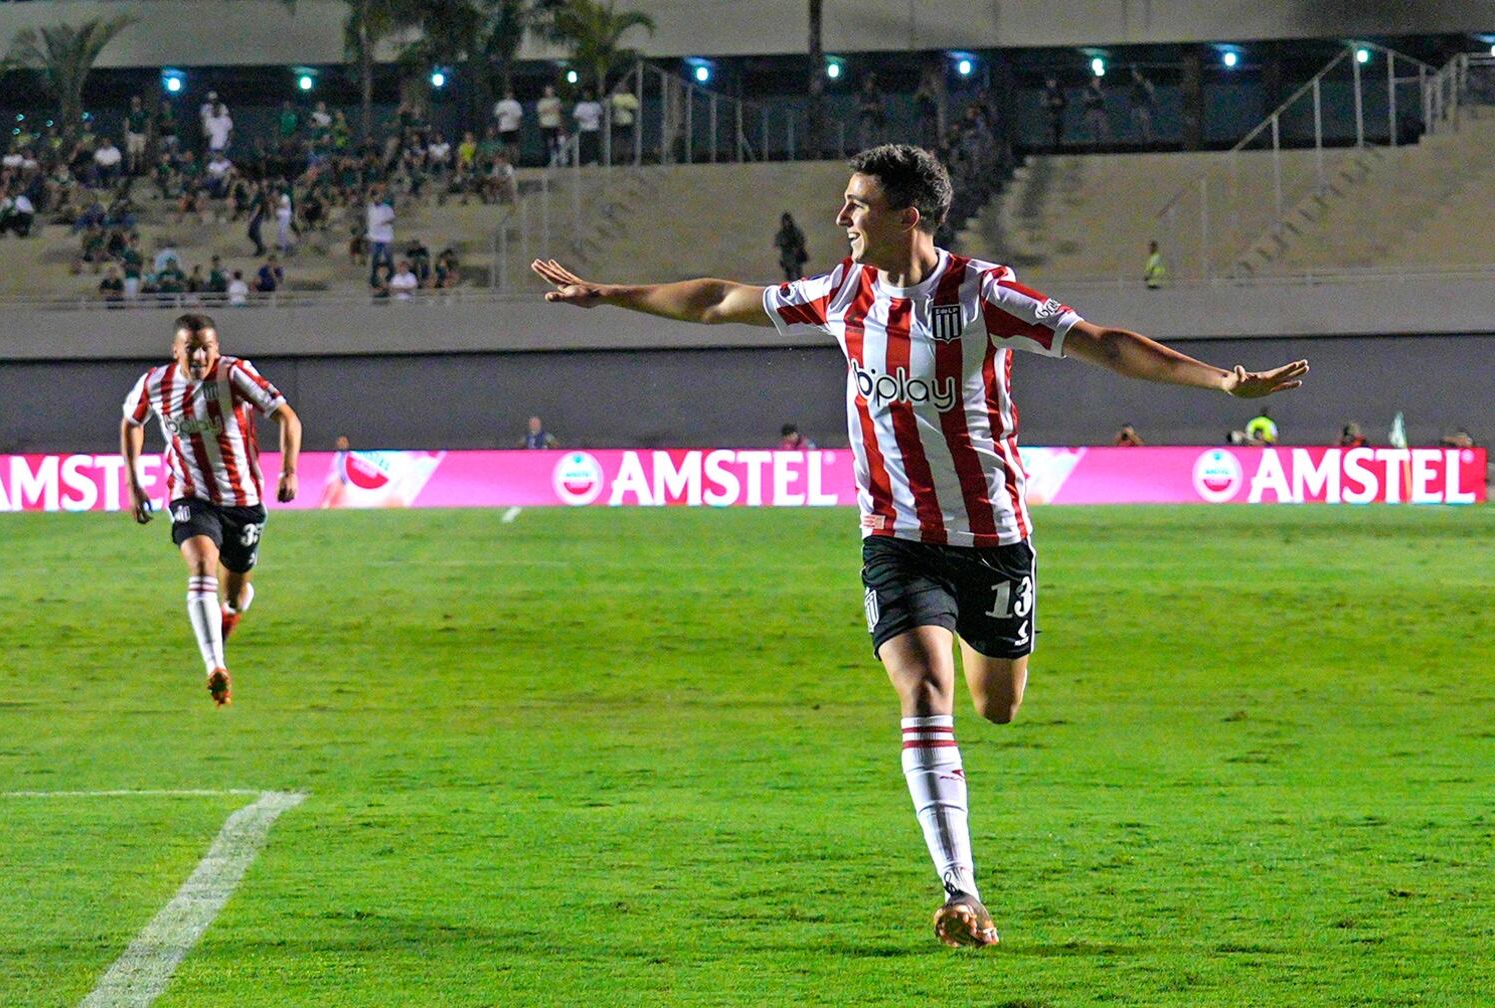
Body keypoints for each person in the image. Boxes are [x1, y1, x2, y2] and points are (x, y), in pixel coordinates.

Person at [531, 143, 1308, 949]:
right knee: (924, 694)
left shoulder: (985, 297)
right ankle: (960, 889)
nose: (841, 219)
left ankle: (968, 819)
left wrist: (1222, 382)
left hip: (994, 539)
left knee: (997, 707)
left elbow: (1105, 343)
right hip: (895, 538)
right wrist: (610, 293)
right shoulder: (841, 292)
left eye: (856, 205)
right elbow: (720, 299)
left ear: (908, 216)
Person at [119, 313, 302, 705]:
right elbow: (132, 422)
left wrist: (289, 470)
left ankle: (232, 610)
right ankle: (215, 667)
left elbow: (287, 416)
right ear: (175, 351)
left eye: (207, 348)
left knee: (235, 592)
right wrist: (134, 485)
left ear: (216, 350)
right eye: (191, 349)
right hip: (190, 496)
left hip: (243, 501)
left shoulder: (235, 375)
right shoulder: (155, 383)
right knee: (201, 564)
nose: (200, 356)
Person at [775, 212, 809, 282]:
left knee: (798, 274)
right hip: (787, 256)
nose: (786, 223)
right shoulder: (782, 233)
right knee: (789, 275)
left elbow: (801, 240)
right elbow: (778, 243)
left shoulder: (795, 231)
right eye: (785, 221)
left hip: (795, 256)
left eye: (787, 221)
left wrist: (797, 248)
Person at [536, 85, 563, 166]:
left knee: (556, 144)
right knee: (545, 145)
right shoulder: (541, 102)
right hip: (545, 125)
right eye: (548, 91)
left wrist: (560, 125)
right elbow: (541, 113)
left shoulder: (557, 100)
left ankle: (558, 161)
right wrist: (551, 109)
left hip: (554, 124)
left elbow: (559, 112)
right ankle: (546, 161)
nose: (549, 92)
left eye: (551, 91)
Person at [494, 89, 524, 163]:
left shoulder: (516, 104)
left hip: (513, 127)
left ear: (512, 94)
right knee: (506, 146)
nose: (508, 95)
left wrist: (519, 126)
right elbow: (497, 114)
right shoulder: (500, 104)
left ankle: (516, 161)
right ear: (504, 95)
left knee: (514, 145)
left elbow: (519, 116)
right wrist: (502, 114)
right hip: (504, 128)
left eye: (510, 93)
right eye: (507, 94)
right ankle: (508, 161)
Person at [1040, 77, 1067, 147]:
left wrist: (1060, 102)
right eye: (1050, 82)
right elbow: (1043, 103)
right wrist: (1052, 102)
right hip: (1049, 113)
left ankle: (1059, 145)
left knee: (1059, 131)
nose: (1052, 83)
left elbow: (1064, 101)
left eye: (1053, 81)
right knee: (1049, 131)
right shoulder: (1045, 92)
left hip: (1059, 113)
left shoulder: (1060, 91)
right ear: (1047, 83)